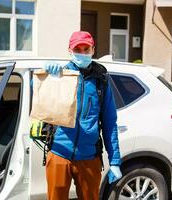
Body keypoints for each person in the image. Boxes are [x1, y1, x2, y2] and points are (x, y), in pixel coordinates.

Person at [44, 31, 122, 200]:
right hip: (59, 152)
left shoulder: (101, 81)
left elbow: (109, 123)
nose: (82, 53)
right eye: (77, 49)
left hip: (89, 157)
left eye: (86, 49)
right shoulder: (60, 75)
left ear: (93, 50)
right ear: (69, 51)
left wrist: (115, 160)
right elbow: (39, 100)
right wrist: (48, 77)